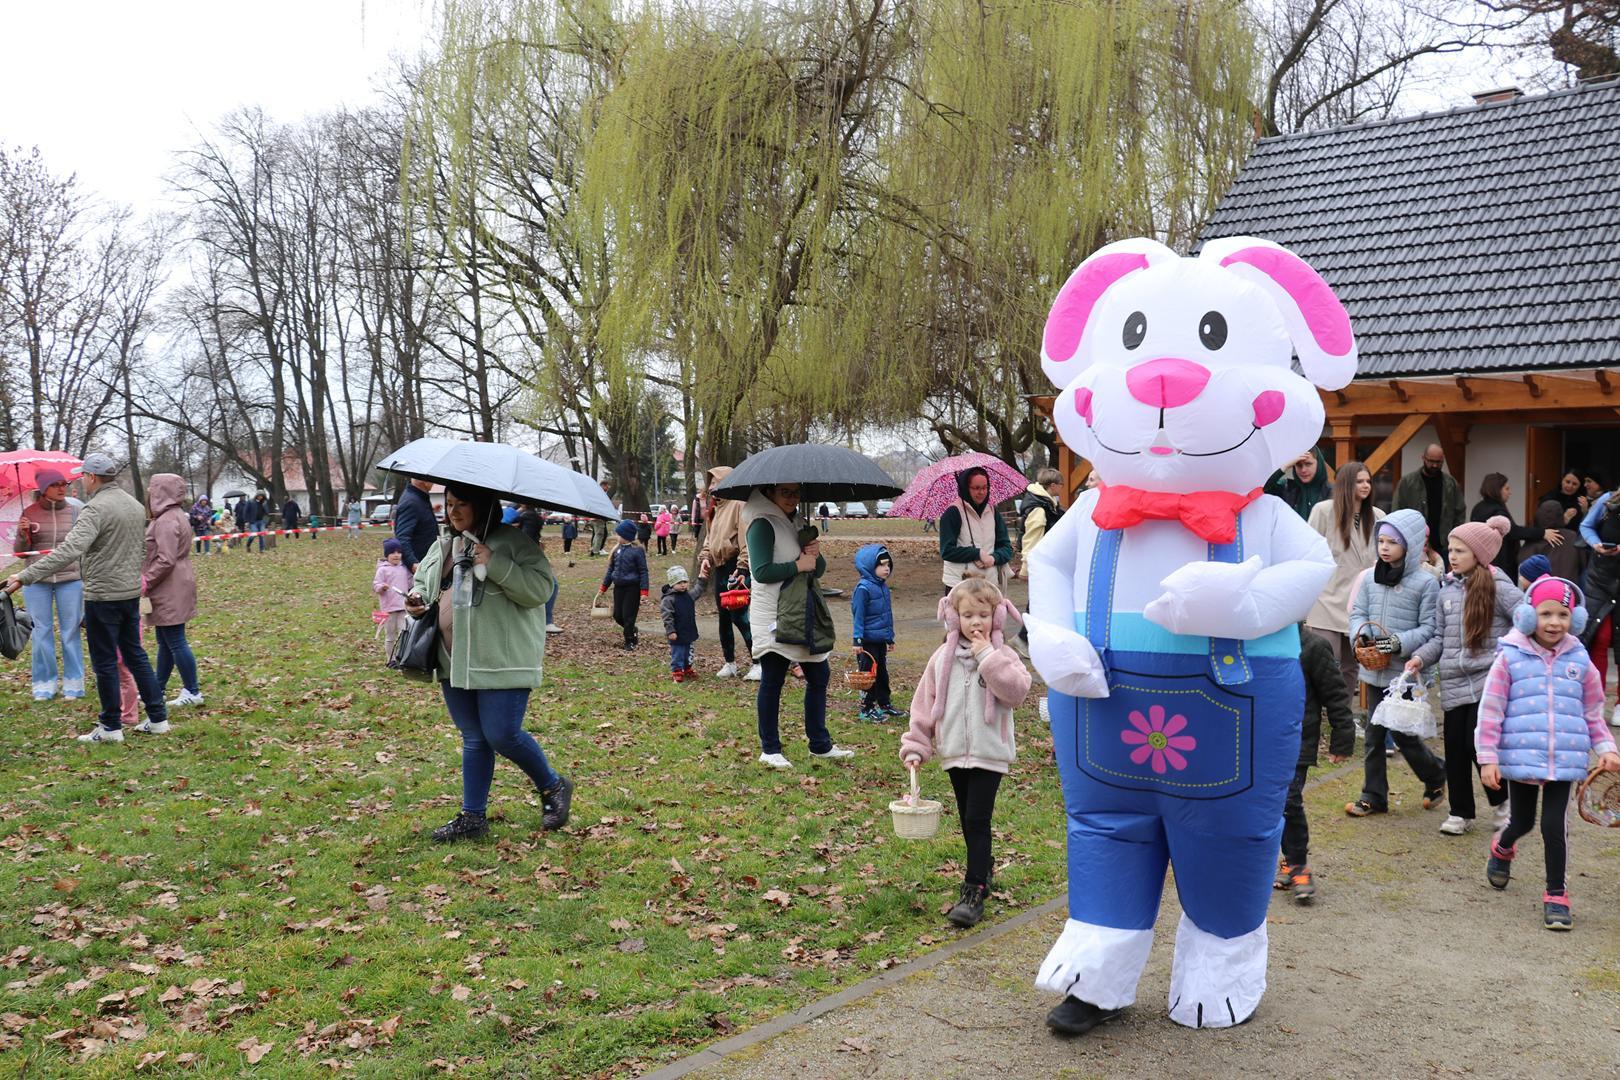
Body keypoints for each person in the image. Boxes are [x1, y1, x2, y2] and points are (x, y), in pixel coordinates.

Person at [404, 481, 570, 842]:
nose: (453, 511)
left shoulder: (513, 542)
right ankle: (473, 818)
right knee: (475, 739)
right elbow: (423, 582)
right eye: (448, 504)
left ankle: (553, 785)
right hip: (454, 661)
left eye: (462, 504)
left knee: (502, 734)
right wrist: (416, 600)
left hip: (502, 660)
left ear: (483, 505)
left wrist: (495, 563)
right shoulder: (445, 544)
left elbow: (541, 590)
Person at [1476, 576, 1620, 930]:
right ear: (1527, 616)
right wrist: (1488, 757)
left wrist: (1605, 747)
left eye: (1563, 615)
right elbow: (1491, 709)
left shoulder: (1580, 660)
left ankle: (1556, 893)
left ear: (1576, 619)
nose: (1554, 622)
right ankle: (1502, 847)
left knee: (1554, 826)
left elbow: (1592, 710)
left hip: (1566, 760)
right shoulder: (1509, 657)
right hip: (1521, 756)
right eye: (1545, 614)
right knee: (1522, 822)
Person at [4, 452, 168, 743]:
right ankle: (158, 718)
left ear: (92, 477)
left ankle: (111, 727)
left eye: (83, 477)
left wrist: (24, 576)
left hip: (103, 596)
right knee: (136, 656)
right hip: (129, 593)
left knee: (105, 661)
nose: (81, 482)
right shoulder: (133, 505)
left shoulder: (94, 509)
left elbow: (69, 550)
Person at [901, 578, 1030, 928]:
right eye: (968, 614)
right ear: (954, 618)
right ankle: (983, 864)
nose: (976, 622)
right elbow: (923, 705)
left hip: (990, 752)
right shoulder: (942, 659)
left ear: (996, 617)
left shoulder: (1003, 655)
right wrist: (917, 745)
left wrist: (987, 655)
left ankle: (973, 890)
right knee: (968, 819)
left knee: (977, 818)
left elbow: (1016, 692)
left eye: (983, 615)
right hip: (954, 751)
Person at [1405, 518, 1521, 835]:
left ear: (1479, 553)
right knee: (1454, 748)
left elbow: (1525, 618)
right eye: (1451, 549)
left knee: (1476, 745)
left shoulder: (1499, 585)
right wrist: (1419, 657)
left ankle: (1502, 804)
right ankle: (1460, 812)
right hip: (1454, 681)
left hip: (1488, 680)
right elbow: (1440, 638)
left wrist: (1508, 656)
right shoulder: (1447, 591)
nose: (1452, 556)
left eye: (1460, 550)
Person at [1345, 509, 1447, 817]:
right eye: (1381, 541)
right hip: (1374, 669)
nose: (1384, 547)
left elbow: (1429, 628)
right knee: (1375, 734)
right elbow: (1357, 614)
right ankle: (1373, 795)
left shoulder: (1426, 584)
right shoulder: (1370, 578)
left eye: (1392, 542)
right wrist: (1358, 638)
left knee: (1402, 733)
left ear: (1412, 544)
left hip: (1405, 672)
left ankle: (1435, 774)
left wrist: (1395, 643)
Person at [744, 482, 854, 768]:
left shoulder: (797, 522)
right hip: (773, 613)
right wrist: (798, 565)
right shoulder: (762, 525)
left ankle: (819, 744)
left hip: (803, 611)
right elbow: (761, 571)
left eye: (796, 493)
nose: (792, 498)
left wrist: (813, 554)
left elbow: (817, 569)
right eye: (786, 492)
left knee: (819, 675)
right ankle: (770, 749)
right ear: (770, 493)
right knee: (773, 679)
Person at [1277, 624, 1355, 901]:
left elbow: (1335, 695)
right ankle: (1285, 860)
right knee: (1268, 807)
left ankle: (1298, 864)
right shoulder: (1257, 643)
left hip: (1297, 741)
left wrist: (1343, 738)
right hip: (1262, 741)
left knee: (1289, 802)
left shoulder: (1313, 646)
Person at [1306, 461, 1384, 704]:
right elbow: (1307, 550)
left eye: (1368, 481)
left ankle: (1343, 716)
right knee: (1323, 663)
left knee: (1351, 666)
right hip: (1326, 598)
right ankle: (1315, 716)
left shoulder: (1379, 516)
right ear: (1346, 484)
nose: (1365, 485)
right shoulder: (1323, 510)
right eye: (1359, 481)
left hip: (1360, 603)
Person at [12, 469, 84, 701]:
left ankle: (74, 684)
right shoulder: (29, 512)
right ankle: (45, 684)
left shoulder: (76, 511)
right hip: (36, 581)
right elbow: (21, 553)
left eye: (64, 483)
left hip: (70, 579)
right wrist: (23, 534)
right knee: (41, 631)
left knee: (70, 630)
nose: (62, 488)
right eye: (55, 484)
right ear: (43, 489)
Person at [142, 474, 205, 709]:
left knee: (176, 640)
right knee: (166, 640)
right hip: (173, 583)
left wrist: (145, 581)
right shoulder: (172, 515)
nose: (149, 492)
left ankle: (192, 690)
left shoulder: (167, 520)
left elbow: (165, 559)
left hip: (169, 585)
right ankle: (158, 687)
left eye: (153, 489)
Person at [697, 465, 759, 681]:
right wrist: (705, 558)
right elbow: (709, 538)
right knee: (723, 618)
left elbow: (746, 540)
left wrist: (742, 567)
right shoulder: (715, 508)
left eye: (715, 482)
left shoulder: (739, 505)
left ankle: (758, 662)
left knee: (740, 617)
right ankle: (730, 663)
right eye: (710, 482)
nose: (711, 486)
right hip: (720, 568)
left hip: (736, 568)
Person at [1469, 472, 1562, 579]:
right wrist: (1542, 532)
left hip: (1482, 559)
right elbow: (1512, 531)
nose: (1510, 492)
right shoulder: (1497, 510)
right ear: (1497, 490)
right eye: (1507, 489)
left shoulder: (1478, 507)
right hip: (1500, 562)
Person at [1578, 483, 1620, 719]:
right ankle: (1596, 700)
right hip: (1601, 577)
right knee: (1599, 638)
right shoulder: (1607, 500)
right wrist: (1596, 544)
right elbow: (1586, 525)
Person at [938, 467, 1013, 595]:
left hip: (989, 584)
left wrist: (993, 558)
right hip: (960, 585)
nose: (981, 492)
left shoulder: (993, 512)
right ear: (966, 488)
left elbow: (1006, 547)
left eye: (985, 487)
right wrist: (976, 553)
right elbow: (947, 551)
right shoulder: (953, 512)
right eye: (976, 488)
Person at [851, 544, 898, 721]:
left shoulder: (882, 587)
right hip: (867, 641)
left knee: (882, 673)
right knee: (868, 674)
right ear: (870, 566)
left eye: (888, 565)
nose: (886, 569)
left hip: (879, 639)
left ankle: (884, 703)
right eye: (881, 565)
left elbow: (886, 615)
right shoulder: (863, 589)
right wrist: (857, 640)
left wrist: (889, 638)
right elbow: (858, 616)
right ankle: (866, 707)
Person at [1394, 444, 1465, 558]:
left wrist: (1455, 540)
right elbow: (1397, 513)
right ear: (1423, 458)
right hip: (1415, 545)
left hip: (1444, 545)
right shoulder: (1407, 483)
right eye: (1431, 461)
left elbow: (1460, 513)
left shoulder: (1450, 483)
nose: (1434, 465)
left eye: (1439, 462)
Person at [599, 520, 649, 650]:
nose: (617, 536)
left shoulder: (637, 551)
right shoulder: (617, 550)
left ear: (626, 535)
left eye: (618, 534)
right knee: (617, 615)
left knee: (628, 616)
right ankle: (632, 629)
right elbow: (611, 570)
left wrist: (644, 591)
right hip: (619, 587)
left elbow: (643, 571)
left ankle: (629, 641)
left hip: (632, 588)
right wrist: (604, 587)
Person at [1519, 499, 1586, 584]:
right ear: (1561, 515)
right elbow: (1583, 564)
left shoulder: (1535, 539)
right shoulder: (1572, 536)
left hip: (1541, 592)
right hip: (1569, 591)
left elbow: (1524, 567)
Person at [1264, 446, 1331, 521]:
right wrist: (1285, 466)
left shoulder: (1332, 492)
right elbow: (1264, 488)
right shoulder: (1287, 488)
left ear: (1319, 464)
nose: (1303, 470)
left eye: (1308, 464)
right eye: (1298, 465)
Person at [661, 565, 702, 682]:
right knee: (678, 652)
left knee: (689, 652)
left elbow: (698, 590)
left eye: (685, 582)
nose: (683, 585)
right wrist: (670, 631)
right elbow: (667, 616)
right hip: (677, 632)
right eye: (679, 582)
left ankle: (687, 667)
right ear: (672, 583)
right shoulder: (669, 599)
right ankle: (677, 670)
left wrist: (702, 579)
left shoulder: (688, 595)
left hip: (688, 630)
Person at [373, 538, 413, 658]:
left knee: (403, 633)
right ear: (387, 555)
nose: (396, 555)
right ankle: (390, 658)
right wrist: (381, 587)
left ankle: (401, 657)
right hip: (388, 609)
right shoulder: (382, 570)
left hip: (403, 607)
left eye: (399, 552)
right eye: (392, 552)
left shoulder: (405, 569)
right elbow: (376, 585)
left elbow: (411, 583)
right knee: (390, 635)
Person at [393, 478, 439, 573]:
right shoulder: (411, 502)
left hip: (427, 563)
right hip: (419, 567)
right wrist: (413, 563)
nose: (434, 480)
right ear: (422, 480)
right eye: (431, 477)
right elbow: (402, 537)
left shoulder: (419, 497)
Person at [1018, 468, 1065, 557]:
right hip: (1038, 563)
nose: (1062, 487)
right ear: (1053, 485)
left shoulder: (1050, 504)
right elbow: (1030, 546)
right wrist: (1027, 569)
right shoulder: (1039, 510)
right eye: (1061, 484)